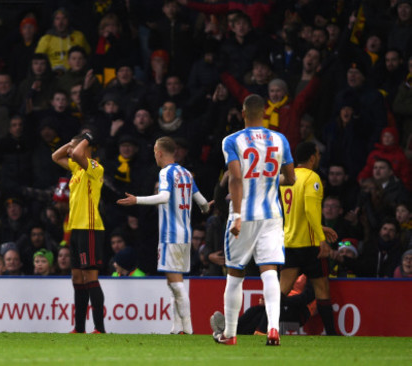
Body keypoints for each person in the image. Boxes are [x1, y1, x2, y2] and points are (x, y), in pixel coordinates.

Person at [211, 94, 296, 346]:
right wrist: (268, 180)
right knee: (269, 272)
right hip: (271, 215)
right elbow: (291, 178)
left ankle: (229, 334)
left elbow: (236, 178)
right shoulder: (280, 139)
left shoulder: (232, 140)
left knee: (235, 274)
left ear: (243, 112)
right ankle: (272, 329)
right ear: (264, 113)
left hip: (244, 215)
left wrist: (236, 215)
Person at [117, 136, 211, 334]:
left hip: (171, 234)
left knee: (176, 284)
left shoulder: (165, 173)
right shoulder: (186, 173)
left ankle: (188, 328)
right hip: (186, 234)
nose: (155, 157)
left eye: (154, 153)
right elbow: (202, 203)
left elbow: (165, 197)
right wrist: (207, 206)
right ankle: (177, 328)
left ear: (159, 152)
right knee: (173, 283)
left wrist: (137, 200)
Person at [279, 142, 338, 335]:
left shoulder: (287, 178)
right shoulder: (312, 178)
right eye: (318, 154)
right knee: (321, 288)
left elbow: (294, 212)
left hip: (289, 241)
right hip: (310, 244)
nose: (319, 157)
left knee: (281, 291)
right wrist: (321, 237)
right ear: (312, 157)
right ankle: (331, 333)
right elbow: (310, 210)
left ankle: (263, 328)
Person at [51, 132, 106, 334]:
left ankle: (99, 328)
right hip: (75, 228)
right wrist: (71, 142)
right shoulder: (76, 169)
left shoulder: (95, 168)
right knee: (77, 277)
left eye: (75, 148)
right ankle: (79, 328)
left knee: (90, 276)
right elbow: (55, 157)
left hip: (90, 227)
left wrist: (85, 140)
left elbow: (76, 154)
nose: (70, 151)